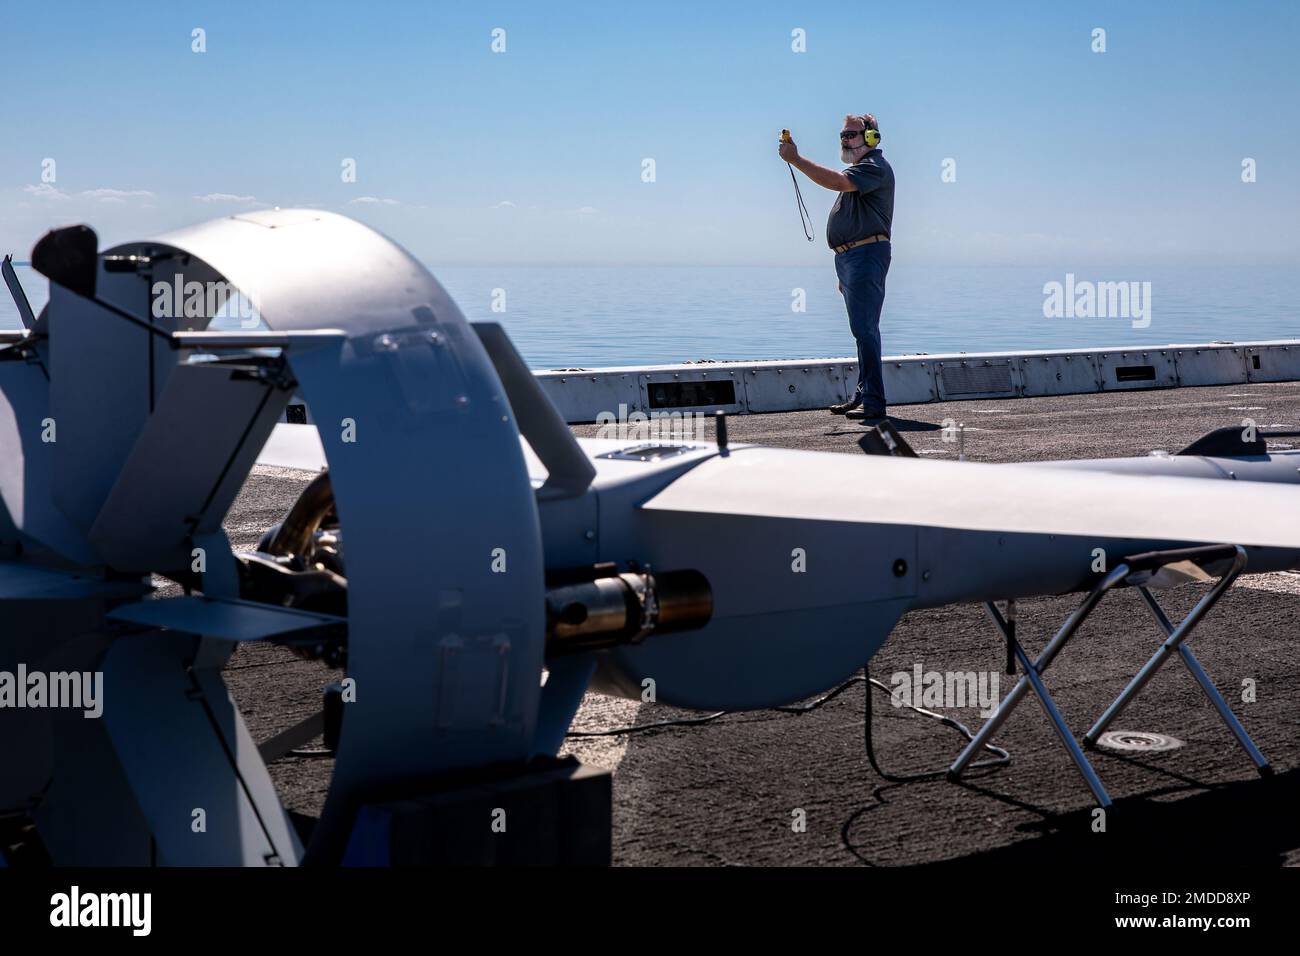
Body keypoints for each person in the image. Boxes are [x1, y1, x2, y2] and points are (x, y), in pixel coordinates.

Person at [778, 114, 895, 421]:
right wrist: (841, 270)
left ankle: (873, 401)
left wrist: (797, 159)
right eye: (843, 135)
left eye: (852, 135)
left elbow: (836, 182)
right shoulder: (862, 171)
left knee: (865, 330)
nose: (845, 140)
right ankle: (865, 392)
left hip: (866, 256)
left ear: (871, 138)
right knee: (861, 330)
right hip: (851, 259)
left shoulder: (874, 167)